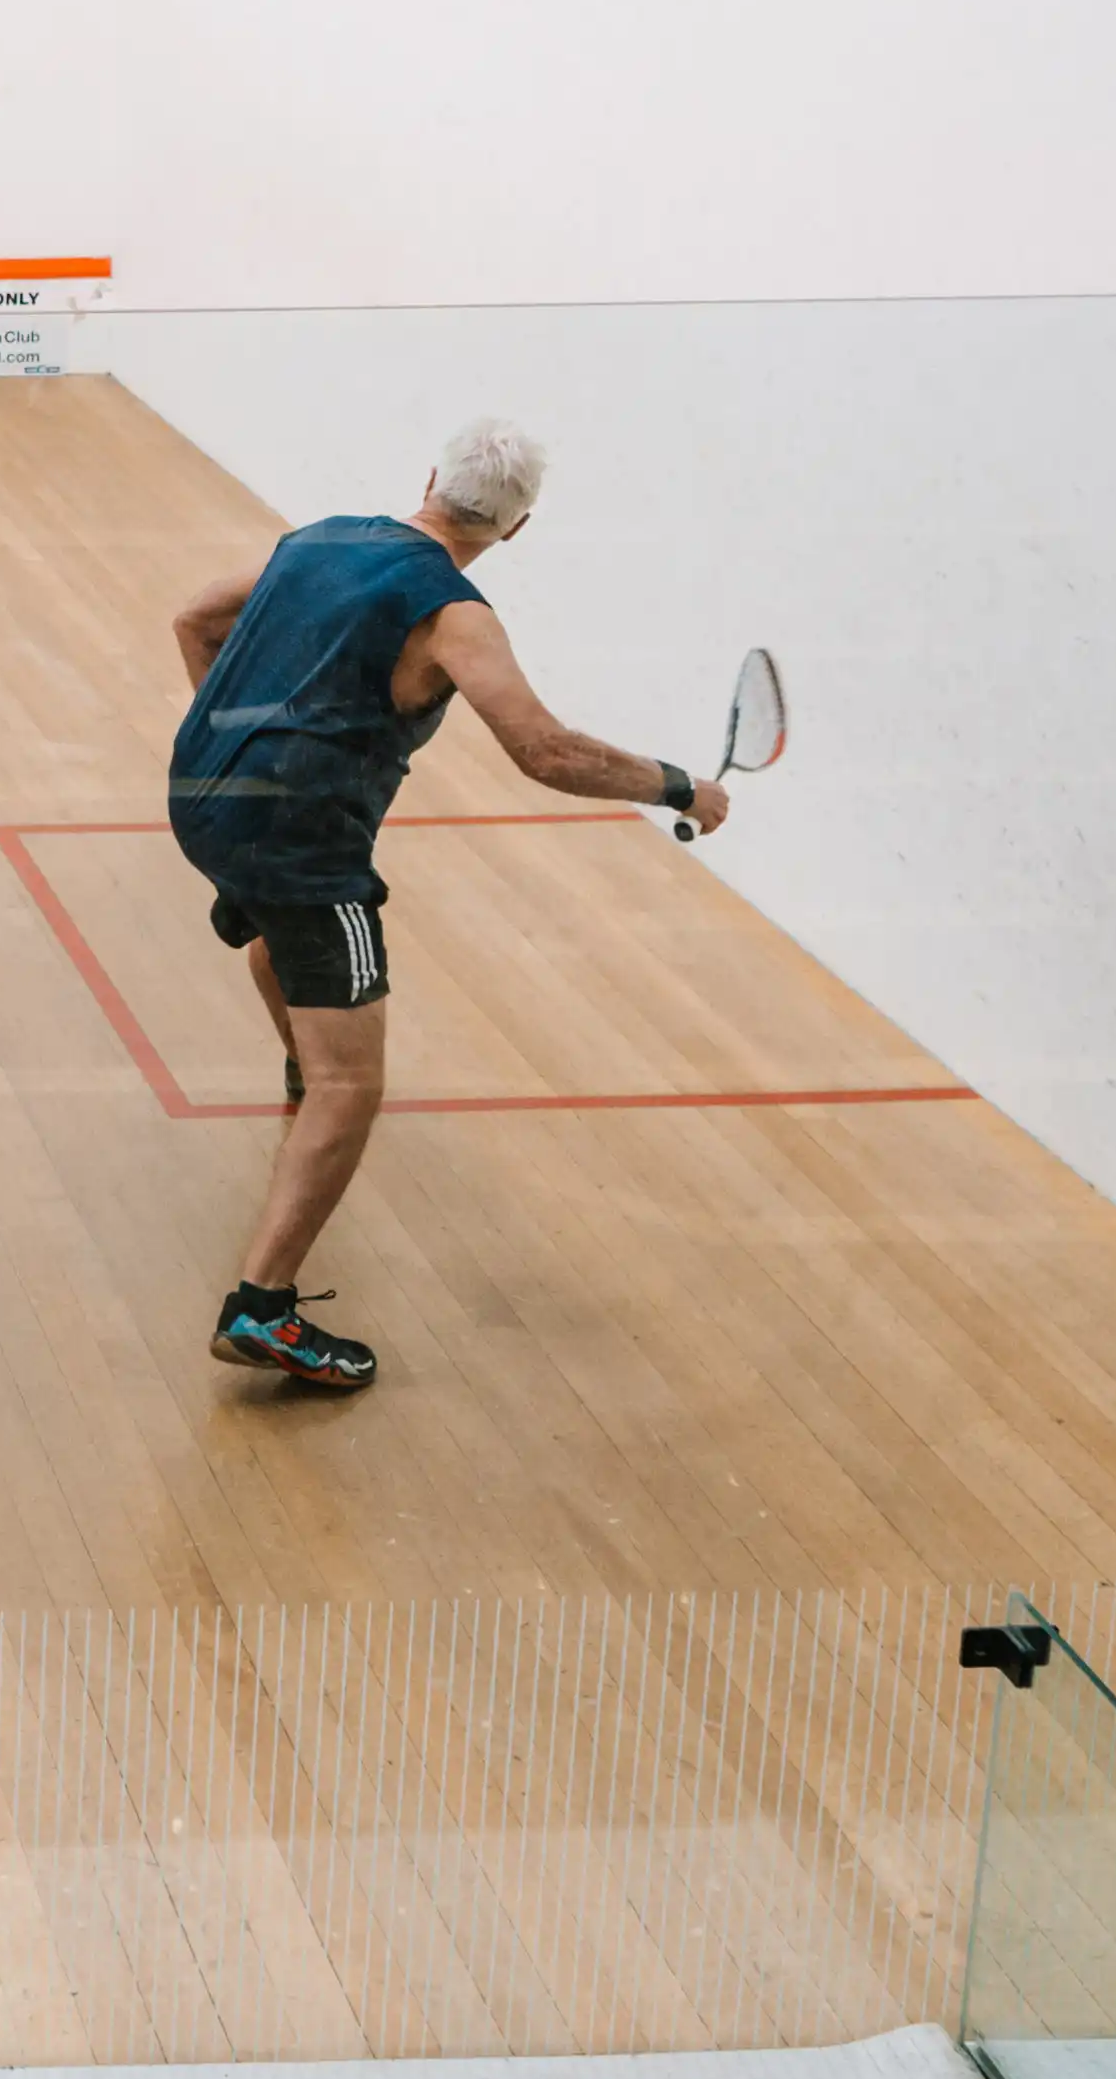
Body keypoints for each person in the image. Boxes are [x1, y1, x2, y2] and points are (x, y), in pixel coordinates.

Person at [161, 416, 727, 1394]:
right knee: (356, 1085)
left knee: (288, 958)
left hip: (201, 796)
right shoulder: (455, 613)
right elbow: (547, 751)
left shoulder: (320, 537)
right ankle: (263, 1309)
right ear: (517, 529)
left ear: (429, 478)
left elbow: (194, 618)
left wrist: (243, 756)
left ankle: (303, 1063)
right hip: (302, 847)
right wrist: (679, 785)